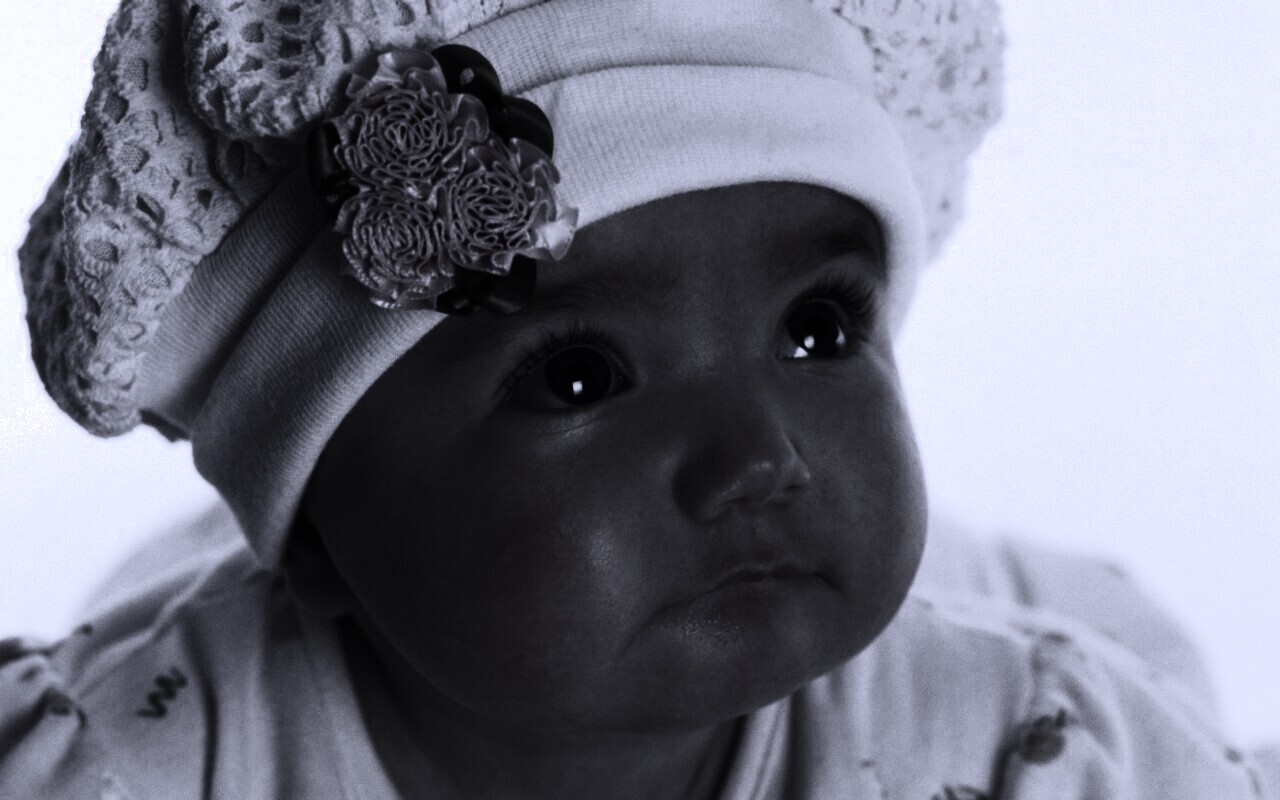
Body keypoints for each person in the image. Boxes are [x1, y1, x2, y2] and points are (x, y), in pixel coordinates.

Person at [2, 0, 1276, 797]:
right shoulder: (133, 764)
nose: (757, 453)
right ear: (322, 534)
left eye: (818, 329)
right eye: (578, 377)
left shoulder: (1036, 748)